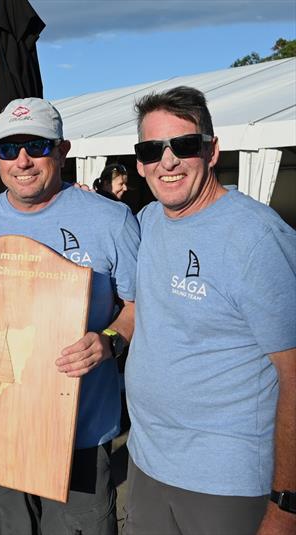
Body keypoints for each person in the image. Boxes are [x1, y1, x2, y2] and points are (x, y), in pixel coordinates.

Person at [0, 97, 139, 535]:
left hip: (81, 433)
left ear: (63, 150)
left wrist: (110, 339)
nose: (23, 160)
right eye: (8, 148)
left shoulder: (112, 219)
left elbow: (138, 305)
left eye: (36, 145)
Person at [124, 86, 296, 535]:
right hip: (146, 464)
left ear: (212, 151)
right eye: (151, 149)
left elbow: (294, 373)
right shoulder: (146, 223)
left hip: (227, 483)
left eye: (183, 146)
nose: (168, 161)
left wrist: (286, 505)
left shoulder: (255, 237)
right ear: (139, 162)